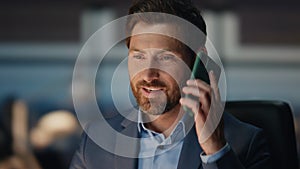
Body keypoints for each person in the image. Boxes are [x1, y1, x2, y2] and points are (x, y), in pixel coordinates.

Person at [70, 0, 271, 168]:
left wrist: (215, 151)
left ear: (197, 60)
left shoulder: (245, 143)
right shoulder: (96, 142)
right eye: (139, 56)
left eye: (166, 57)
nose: (148, 75)